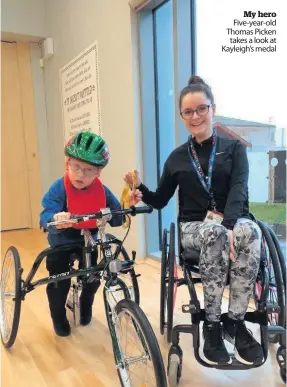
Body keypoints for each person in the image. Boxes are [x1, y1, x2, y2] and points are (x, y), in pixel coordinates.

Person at [124, 76, 263, 365]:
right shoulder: (176, 158)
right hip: (193, 228)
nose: (195, 116)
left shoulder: (234, 149)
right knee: (214, 234)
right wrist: (140, 190)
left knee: (252, 231)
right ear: (182, 116)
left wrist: (229, 226)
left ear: (213, 109)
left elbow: (239, 188)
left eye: (201, 108)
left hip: (233, 221)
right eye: (188, 112)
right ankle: (212, 324)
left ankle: (234, 323)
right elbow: (161, 199)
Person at [40, 131, 142, 337]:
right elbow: (46, 215)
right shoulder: (59, 188)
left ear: (98, 173)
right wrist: (55, 220)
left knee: (93, 277)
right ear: (67, 163)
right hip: (62, 240)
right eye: (76, 167)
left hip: (89, 240)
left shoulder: (102, 191)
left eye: (88, 170)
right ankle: (58, 316)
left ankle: (86, 306)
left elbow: (116, 217)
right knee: (59, 280)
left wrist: (126, 206)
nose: (80, 174)